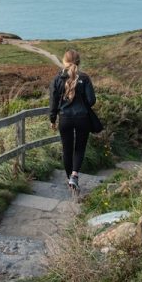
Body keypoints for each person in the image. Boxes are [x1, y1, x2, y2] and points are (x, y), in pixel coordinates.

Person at [49, 49, 96, 191]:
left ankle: (69, 178)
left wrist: (52, 119)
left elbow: (53, 102)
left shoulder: (57, 79)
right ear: (78, 62)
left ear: (64, 61)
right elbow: (92, 100)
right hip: (82, 118)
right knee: (80, 148)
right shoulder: (85, 78)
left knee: (67, 149)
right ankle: (75, 175)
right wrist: (81, 103)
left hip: (65, 118)